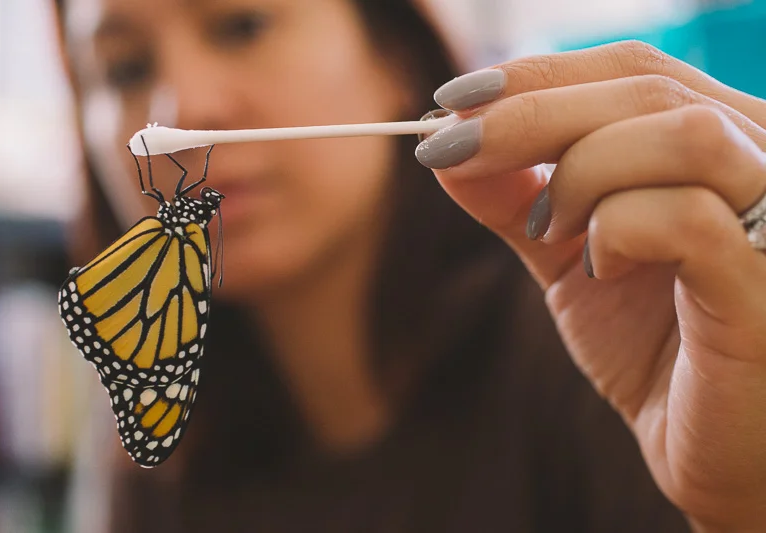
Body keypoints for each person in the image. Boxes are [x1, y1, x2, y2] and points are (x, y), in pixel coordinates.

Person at [53, 0, 766, 531]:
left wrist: (742, 506)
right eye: (125, 68)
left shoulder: (606, 331)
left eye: (242, 26)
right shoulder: (159, 432)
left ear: (394, 57)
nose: (184, 106)